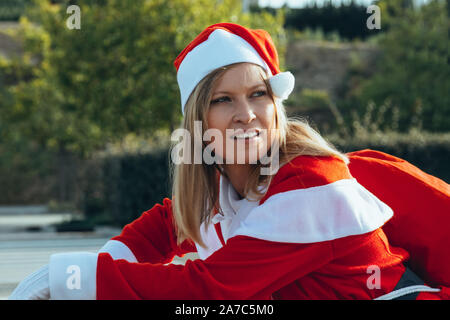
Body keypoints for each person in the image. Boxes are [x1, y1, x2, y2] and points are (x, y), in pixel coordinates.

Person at [9, 23, 450, 300]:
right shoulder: (225, 186)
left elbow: (209, 289)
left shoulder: (312, 182)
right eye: (223, 100)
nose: (246, 114)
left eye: (258, 94)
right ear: (199, 121)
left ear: (276, 104)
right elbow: (170, 222)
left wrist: (70, 278)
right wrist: (102, 262)